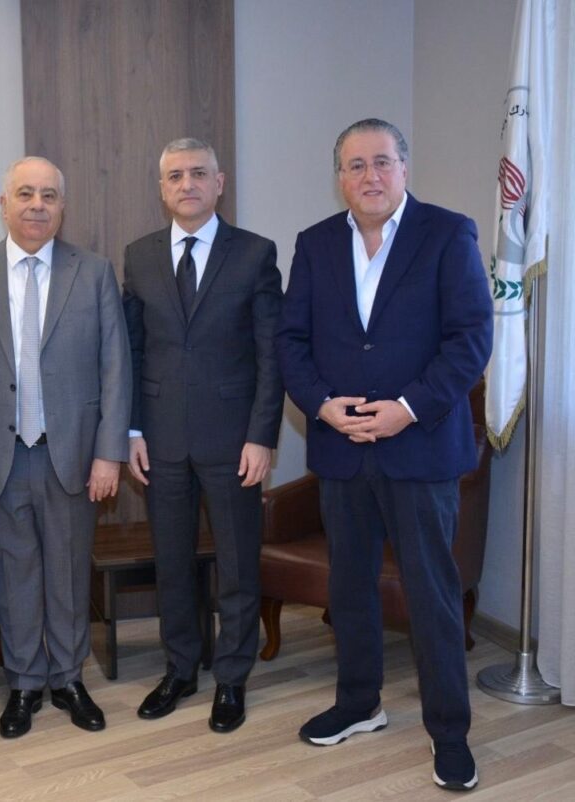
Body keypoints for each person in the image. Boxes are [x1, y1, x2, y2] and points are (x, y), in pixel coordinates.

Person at [276, 119, 493, 791]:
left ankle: (450, 734)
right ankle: (359, 703)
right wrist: (321, 405)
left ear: (404, 167)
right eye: (355, 165)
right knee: (349, 587)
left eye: (381, 161)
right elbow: (291, 341)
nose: (369, 175)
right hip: (341, 448)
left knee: (432, 596)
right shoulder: (315, 243)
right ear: (339, 177)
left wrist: (408, 408)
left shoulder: (448, 233)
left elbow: (470, 339)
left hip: (419, 447)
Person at [0, 157, 131, 739]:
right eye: (25, 193)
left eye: (49, 195)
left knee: (69, 572)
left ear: (62, 207)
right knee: (15, 573)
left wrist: (109, 453)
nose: (37, 205)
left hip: (71, 453)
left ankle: (69, 678)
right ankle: (24, 682)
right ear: (4, 204)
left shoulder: (93, 272)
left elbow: (115, 367)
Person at [123, 137, 283, 733]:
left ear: (219, 183)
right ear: (162, 189)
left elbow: (270, 354)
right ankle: (181, 669)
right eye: (174, 176)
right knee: (172, 563)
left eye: (198, 173)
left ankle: (232, 678)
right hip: (160, 439)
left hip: (234, 441)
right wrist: (132, 429)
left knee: (237, 565)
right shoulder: (139, 255)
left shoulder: (255, 253)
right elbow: (133, 351)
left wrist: (262, 435)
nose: (186, 184)